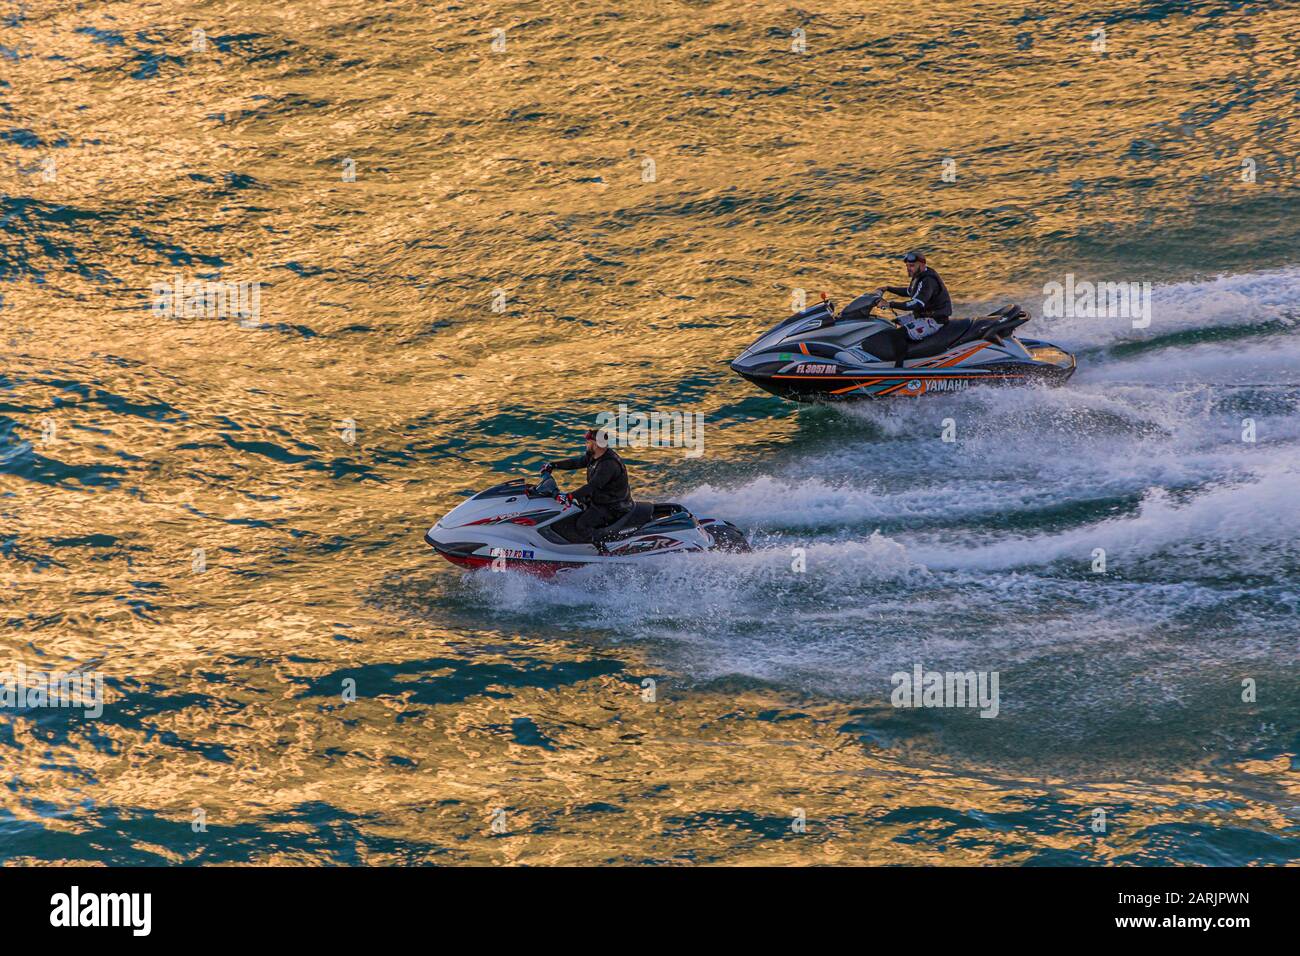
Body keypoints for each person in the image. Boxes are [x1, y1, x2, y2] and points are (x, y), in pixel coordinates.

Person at [542, 428, 633, 545]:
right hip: (599, 499)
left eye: (588, 442)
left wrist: (569, 496)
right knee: (571, 512)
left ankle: (604, 548)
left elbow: (592, 486)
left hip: (612, 506)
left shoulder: (609, 464)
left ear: (595, 445)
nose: (586, 444)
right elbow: (576, 462)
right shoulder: (593, 456)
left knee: (582, 525)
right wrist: (553, 465)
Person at [874, 251, 953, 367]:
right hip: (923, 315)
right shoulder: (919, 277)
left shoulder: (928, 280)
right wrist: (887, 288)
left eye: (911, 266)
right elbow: (909, 291)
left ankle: (899, 369)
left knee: (898, 334)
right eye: (907, 266)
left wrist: (890, 304)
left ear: (921, 265)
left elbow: (917, 304)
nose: (908, 269)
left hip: (934, 320)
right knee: (890, 324)